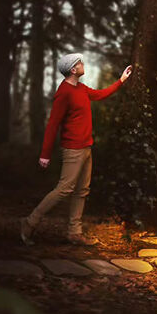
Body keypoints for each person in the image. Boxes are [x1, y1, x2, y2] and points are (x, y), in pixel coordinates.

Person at [21, 52, 133, 246]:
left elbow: (100, 94)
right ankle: (30, 222)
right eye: (80, 63)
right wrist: (45, 154)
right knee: (64, 189)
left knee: (82, 190)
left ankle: (74, 233)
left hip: (86, 147)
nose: (83, 64)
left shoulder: (81, 88)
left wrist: (121, 80)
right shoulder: (63, 92)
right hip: (72, 149)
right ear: (73, 69)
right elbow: (53, 124)